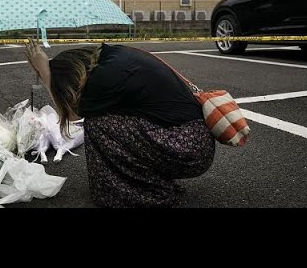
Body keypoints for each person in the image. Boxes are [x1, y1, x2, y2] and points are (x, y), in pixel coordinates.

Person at [24, 39, 215, 208]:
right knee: (109, 120)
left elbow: (74, 115)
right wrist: (44, 70)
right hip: (191, 142)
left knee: (98, 124)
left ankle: (144, 194)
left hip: (189, 149)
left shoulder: (102, 78)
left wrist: (46, 72)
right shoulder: (112, 59)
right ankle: (145, 183)